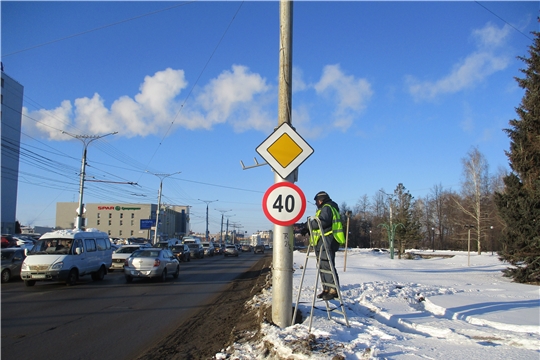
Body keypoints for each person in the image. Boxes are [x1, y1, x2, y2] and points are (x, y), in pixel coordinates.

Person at [302, 191, 346, 301]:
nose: (316, 203)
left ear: (320, 200)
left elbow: (322, 222)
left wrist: (308, 225)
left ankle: (333, 290)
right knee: (322, 264)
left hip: (327, 239)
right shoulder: (324, 208)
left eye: (316, 201)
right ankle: (326, 289)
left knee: (327, 264)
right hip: (322, 240)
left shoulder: (327, 207)